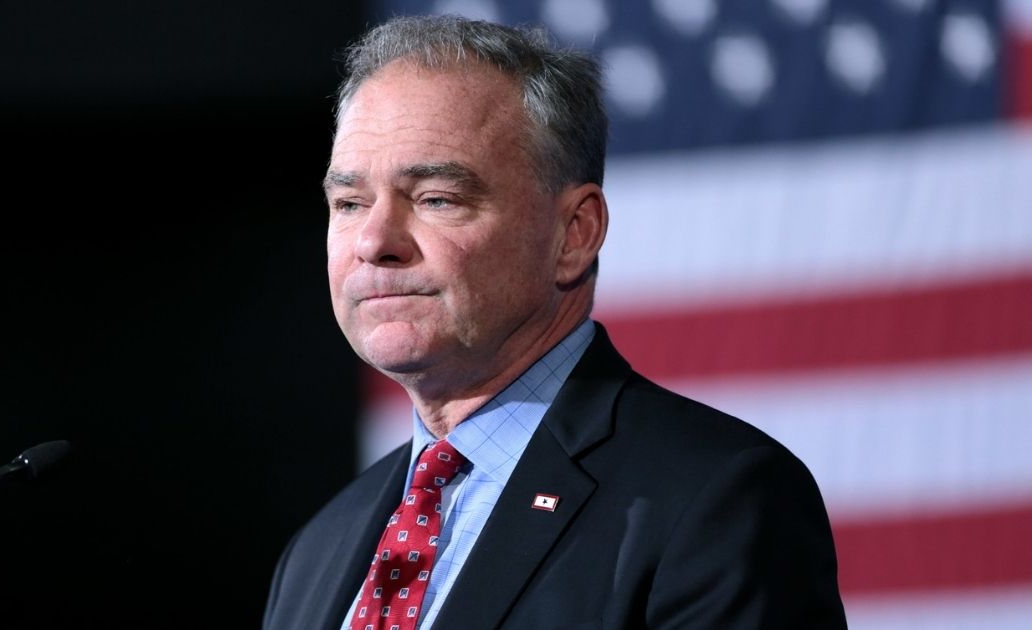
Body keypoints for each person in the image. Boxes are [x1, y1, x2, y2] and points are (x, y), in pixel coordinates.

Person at [264, 15, 846, 630]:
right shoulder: (319, 550)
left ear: (575, 234)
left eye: (437, 197)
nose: (375, 241)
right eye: (350, 203)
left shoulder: (716, 502)